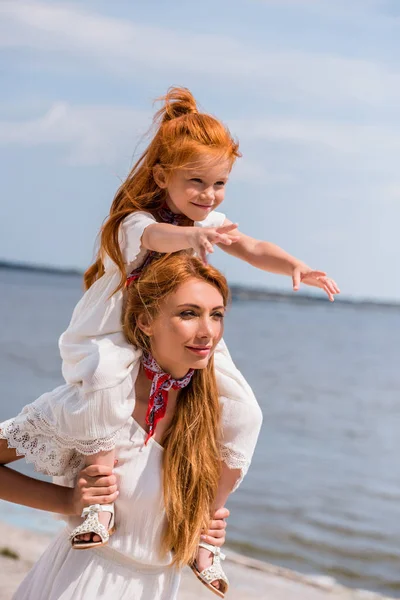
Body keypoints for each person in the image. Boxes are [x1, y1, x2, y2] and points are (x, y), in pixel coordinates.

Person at [0, 86, 339, 575]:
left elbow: (251, 245)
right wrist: (193, 236)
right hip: (117, 330)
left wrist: (295, 265)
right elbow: (159, 238)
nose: (209, 195)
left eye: (219, 183)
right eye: (196, 181)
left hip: (167, 329)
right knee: (106, 387)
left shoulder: (211, 223)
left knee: (245, 410)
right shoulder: (136, 222)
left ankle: (204, 525)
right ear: (162, 176)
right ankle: (98, 500)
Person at [1, 253, 243, 599]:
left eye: (216, 315)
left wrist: (202, 527)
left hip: (157, 588)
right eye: (188, 313)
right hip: (81, 583)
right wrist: (70, 501)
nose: (207, 332)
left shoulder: (214, 420)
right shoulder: (93, 405)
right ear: (145, 320)